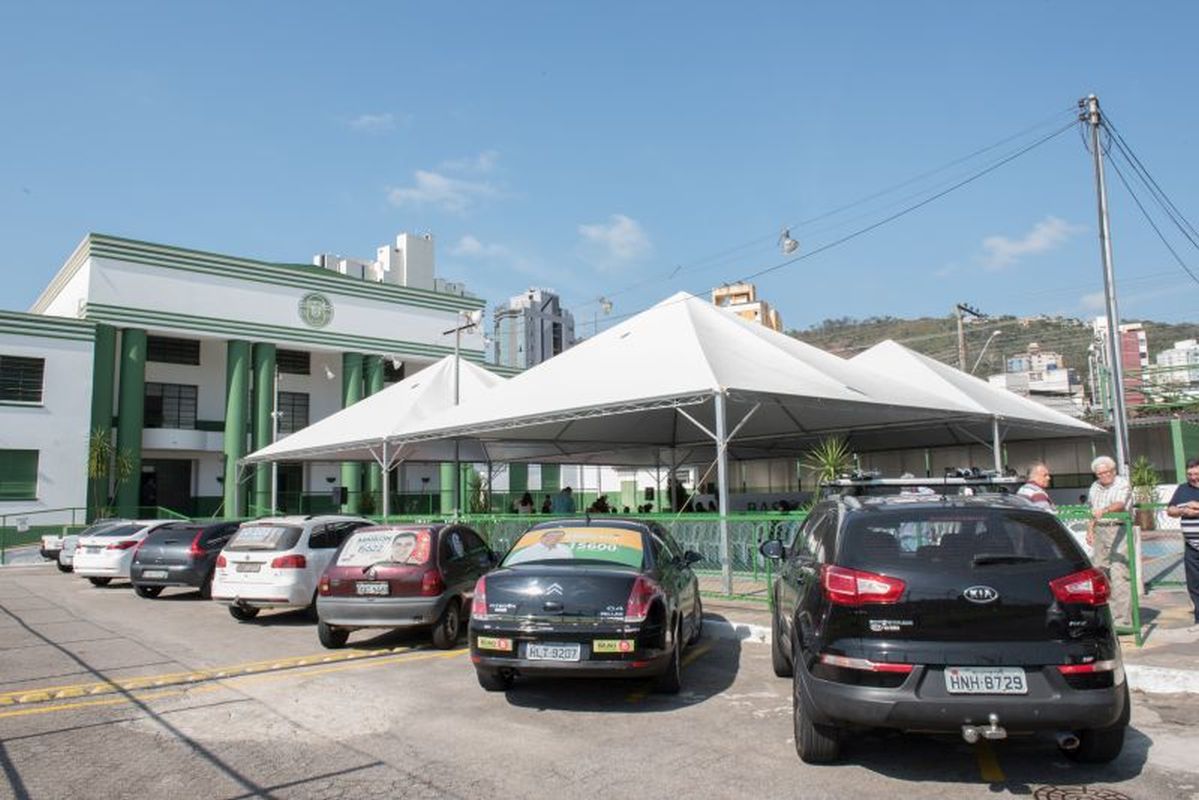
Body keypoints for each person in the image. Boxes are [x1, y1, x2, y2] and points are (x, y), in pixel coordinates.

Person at [1087, 455, 1133, 628]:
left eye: (1107, 472)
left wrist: (1105, 510)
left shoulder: (1122, 483)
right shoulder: (1095, 487)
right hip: (1100, 529)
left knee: (1120, 573)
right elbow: (1092, 510)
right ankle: (1108, 616)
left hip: (1118, 528)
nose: (1104, 475)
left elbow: (1120, 504)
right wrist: (1090, 529)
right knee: (1101, 571)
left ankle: (1123, 620)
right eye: (1100, 473)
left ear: (1113, 471)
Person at [1166, 457, 1199, 631]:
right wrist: (1182, 510)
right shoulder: (1182, 489)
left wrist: (1197, 508)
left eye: (1196, 474)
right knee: (1194, 584)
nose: (1193, 477)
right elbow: (1170, 510)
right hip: (1191, 546)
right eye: (1190, 474)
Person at [506, 529, 575, 565]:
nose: (554, 539)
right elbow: (510, 566)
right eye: (551, 536)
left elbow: (571, 566)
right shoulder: (527, 552)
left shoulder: (565, 549)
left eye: (558, 537)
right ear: (542, 537)